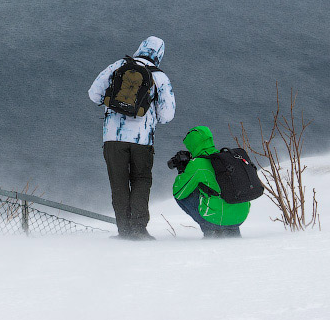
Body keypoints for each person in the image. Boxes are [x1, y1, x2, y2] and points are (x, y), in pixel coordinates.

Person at [88, 36, 175, 240]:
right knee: (141, 180)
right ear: (160, 54)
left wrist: (112, 102)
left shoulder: (118, 66)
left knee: (118, 183)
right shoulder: (160, 77)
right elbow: (167, 115)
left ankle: (124, 231)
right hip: (142, 140)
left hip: (112, 138)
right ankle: (138, 229)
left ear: (140, 47)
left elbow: (94, 94)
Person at [171, 126, 250, 238]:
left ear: (192, 145)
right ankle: (232, 232)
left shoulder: (197, 164)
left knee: (183, 195)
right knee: (218, 191)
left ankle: (211, 232)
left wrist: (182, 171)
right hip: (240, 217)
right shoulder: (226, 157)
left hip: (215, 219)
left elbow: (178, 192)